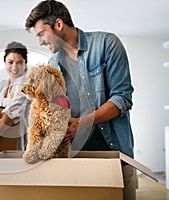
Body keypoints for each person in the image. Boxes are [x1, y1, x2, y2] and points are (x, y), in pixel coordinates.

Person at [25, 1, 136, 200]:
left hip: (115, 153)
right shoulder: (53, 65)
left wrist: (82, 123)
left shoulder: (107, 44)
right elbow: (53, 109)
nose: (40, 41)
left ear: (58, 25)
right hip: (75, 156)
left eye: (41, 34)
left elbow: (122, 98)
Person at [0, 41, 31, 150]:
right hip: (0, 144)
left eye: (19, 63)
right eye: (10, 62)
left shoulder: (27, 86)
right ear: (5, 62)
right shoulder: (2, 85)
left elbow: (11, 115)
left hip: (18, 143)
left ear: (25, 64)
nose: (14, 67)